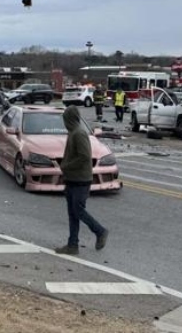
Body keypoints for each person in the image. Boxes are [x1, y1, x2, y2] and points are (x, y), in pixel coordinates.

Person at [55, 106, 108, 255]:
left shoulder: (79, 133)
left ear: (70, 119)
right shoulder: (73, 132)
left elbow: (84, 157)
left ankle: (100, 231)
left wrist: (66, 166)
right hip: (72, 179)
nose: (64, 123)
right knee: (73, 213)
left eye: (65, 120)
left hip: (81, 179)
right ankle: (72, 245)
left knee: (78, 211)